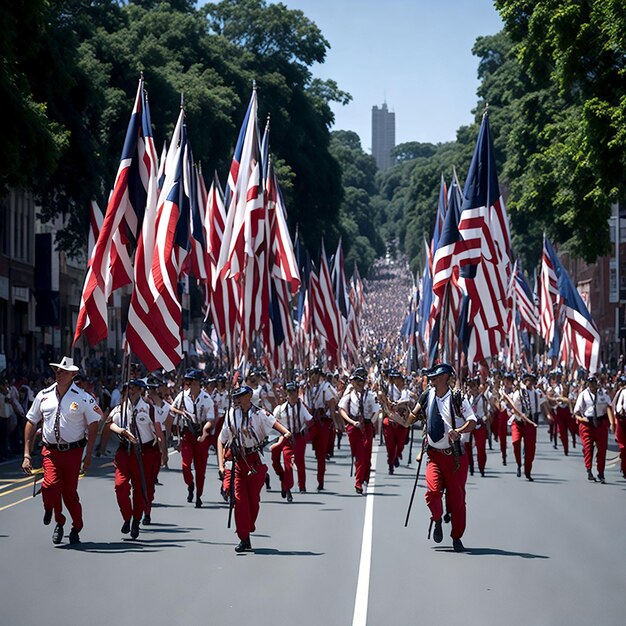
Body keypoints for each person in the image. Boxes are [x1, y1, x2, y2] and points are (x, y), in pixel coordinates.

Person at [22, 357, 101, 545]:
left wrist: (88, 455)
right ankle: (56, 517)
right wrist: (26, 453)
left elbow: (94, 424)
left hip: (73, 451)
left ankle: (77, 526)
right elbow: (31, 422)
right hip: (50, 450)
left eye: (63, 371)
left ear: (73, 374)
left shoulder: (83, 397)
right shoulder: (43, 395)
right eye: (57, 370)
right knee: (50, 486)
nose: (59, 373)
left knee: (69, 493)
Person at [407, 363, 476, 552]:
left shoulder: (457, 397)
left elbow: (472, 421)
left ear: (446, 377)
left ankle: (456, 537)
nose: (432, 379)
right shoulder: (426, 395)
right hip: (434, 455)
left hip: (454, 458)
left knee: (457, 500)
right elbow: (412, 417)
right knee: (432, 493)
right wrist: (399, 411)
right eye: (431, 377)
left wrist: (458, 431)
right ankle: (437, 518)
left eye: (436, 376)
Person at [217, 385, 292, 553]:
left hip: (254, 460)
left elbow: (278, 426)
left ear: (249, 396)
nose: (238, 399)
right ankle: (244, 537)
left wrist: (285, 434)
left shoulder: (259, 414)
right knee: (239, 500)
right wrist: (221, 465)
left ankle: (248, 528)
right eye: (236, 396)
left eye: (241, 396)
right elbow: (221, 440)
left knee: (253, 501)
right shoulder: (231, 414)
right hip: (238, 460)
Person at [108, 379, 163, 538]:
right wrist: (121, 431)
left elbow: (157, 433)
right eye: (127, 388)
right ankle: (127, 517)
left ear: (140, 390)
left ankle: (136, 521)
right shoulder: (121, 408)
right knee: (120, 486)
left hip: (143, 452)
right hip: (125, 452)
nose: (129, 391)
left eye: (132, 388)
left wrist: (161, 451)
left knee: (140, 490)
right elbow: (110, 423)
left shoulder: (149, 409)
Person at [172, 368, 215, 508]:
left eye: (191, 381)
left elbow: (211, 419)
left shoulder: (206, 398)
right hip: (187, 434)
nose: (188, 383)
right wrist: (182, 412)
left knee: (200, 468)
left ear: (197, 382)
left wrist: (204, 432)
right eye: (188, 381)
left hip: (201, 434)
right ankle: (190, 485)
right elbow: (172, 408)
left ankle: (198, 496)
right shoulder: (183, 396)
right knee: (185, 465)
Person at [339, 368, 380, 495]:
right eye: (356, 381)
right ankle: (362, 478)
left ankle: (360, 482)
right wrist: (351, 422)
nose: (359, 384)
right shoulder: (349, 396)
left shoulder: (371, 395)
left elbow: (376, 410)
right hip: (354, 426)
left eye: (361, 381)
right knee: (359, 455)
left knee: (365, 454)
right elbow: (341, 410)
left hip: (366, 426)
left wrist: (371, 423)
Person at [271, 381, 312, 500]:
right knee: (287, 462)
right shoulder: (280, 409)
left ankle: (302, 485)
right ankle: (287, 488)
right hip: (286, 437)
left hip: (298, 436)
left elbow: (309, 420)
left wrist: (305, 429)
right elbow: (273, 422)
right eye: (290, 392)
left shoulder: (301, 406)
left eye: (294, 392)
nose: (292, 395)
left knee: (299, 460)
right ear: (286, 394)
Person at [508, 372, 551, 481]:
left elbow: (544, 402)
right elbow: (513, 407)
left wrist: (548, 414)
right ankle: (518, 464)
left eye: (531, 380)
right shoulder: (518, 393)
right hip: (518, 423)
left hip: (531, 423)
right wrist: (519, 415)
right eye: (527, 380)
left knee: (530, 449)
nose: (529, 382)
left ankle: (528, 471)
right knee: (516, 442)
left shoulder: (537, 393)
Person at [573, 375, 615, 483]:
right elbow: (576, 412)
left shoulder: (603, 394)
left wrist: (612, 423)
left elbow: (609, 407)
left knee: (602, 449)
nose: (592, 385)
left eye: (593, 383)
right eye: (590, 383)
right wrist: (581, 419)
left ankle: (601, 472)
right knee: (588, 447)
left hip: (600, 423)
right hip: (588, 423)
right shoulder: (583, 395)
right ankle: (589, 470)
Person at [304, 366, 337, 492]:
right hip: (310, 421)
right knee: (300, 442)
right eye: (312, 373)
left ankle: (320, 480)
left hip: (322, 421)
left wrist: (335, 422)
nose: (314, 376)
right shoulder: (306, 387)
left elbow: (332, 403)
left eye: (316, 374)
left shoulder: (325, 387)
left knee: (321, 454)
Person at [465, 377, 489, 477]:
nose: (471, 388)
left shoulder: (482, 398)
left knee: (481, 448)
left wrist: (484, 418)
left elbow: (486, 412)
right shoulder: (466, 398)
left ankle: (481, 468)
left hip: (479, 424)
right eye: (469, 386)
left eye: (473, 386)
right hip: (469, 424)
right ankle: (471, 466)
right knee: (467, 447)